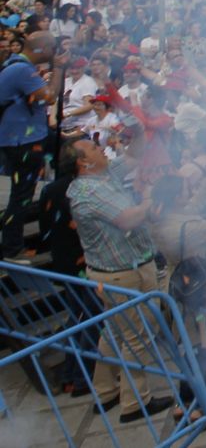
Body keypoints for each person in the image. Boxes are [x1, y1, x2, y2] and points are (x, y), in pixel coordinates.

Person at [60, 139, 174, 423]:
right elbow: (127, 219)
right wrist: (150, 198)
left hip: (117, 271)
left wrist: (140, 129)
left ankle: (105, 391)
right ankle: (135, 402)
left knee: (112, 332)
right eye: (94, 148)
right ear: (83, 163)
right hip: (123, 274)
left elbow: (134, 155)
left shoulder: (102, 174)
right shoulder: (88, 191)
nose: (101, 149)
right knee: (137, 336)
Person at [0, 31, 54, 258]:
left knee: (19, 194)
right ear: (41, 48)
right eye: (51, 47)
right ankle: (12, 248)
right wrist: (59, 71)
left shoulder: (16, 66)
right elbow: (47, 98)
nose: (54, 52)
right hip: (23, 142)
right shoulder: (22, 69)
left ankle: (11, 243)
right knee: (21, 196)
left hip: (18, 140)